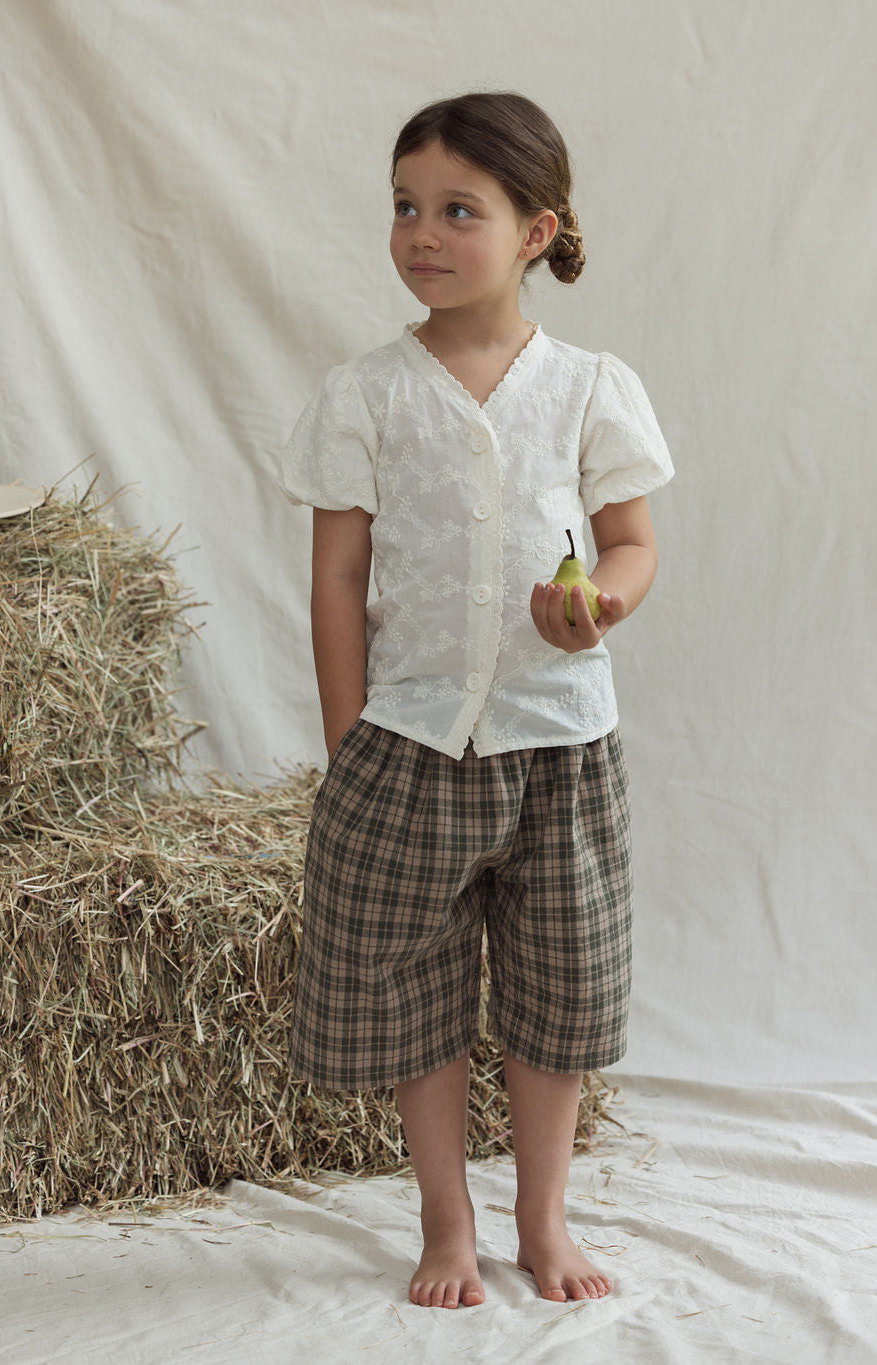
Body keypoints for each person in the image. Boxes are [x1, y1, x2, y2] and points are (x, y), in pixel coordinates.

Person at [279, 91, 674, 1311]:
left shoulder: (592, 385)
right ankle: (445, 1223)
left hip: (560, 744)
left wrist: (597, 605)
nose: (422, 234)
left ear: (536, 229)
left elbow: (633, 544)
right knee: (413, 990)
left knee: (556, 990)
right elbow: (339, 576)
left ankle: (542, 1218)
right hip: (409, 743)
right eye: (406, 207)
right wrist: (349, 738)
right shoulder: (366, 393)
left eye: (459, 210)